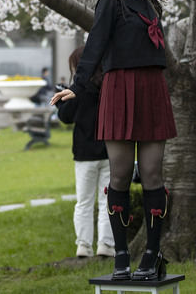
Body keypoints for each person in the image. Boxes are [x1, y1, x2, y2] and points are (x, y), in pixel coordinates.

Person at [51, 0, 177, 282]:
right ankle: (121, 258)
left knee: (152, 175)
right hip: (119, 91)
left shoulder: (153, 7)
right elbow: (94, 46)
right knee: (119, 176)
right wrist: (76, 87)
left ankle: (151, 255)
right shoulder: (110, 3)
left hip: (152, 93)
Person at [55, 46, 114, 259]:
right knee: (107, 201)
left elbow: (66, 117)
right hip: (109, 151)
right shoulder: (109, 86)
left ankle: (84, 246)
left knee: (84, 202)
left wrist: (60, 99)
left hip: (84, 154)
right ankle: (106, 244)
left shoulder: (77, 89)